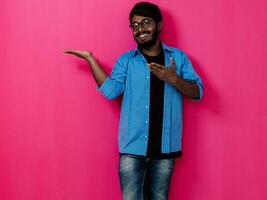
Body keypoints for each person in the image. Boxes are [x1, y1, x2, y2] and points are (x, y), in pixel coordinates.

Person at [64, 2, 203, 199]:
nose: (140, 29)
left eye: (146, 23)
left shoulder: (177, 59)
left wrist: (174, 79)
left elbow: (198, 92)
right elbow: (112, 91)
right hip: (132, 149)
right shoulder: (127, 61)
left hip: (165, 150)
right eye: (135, 25)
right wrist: (90, 59)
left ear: (159, 25)